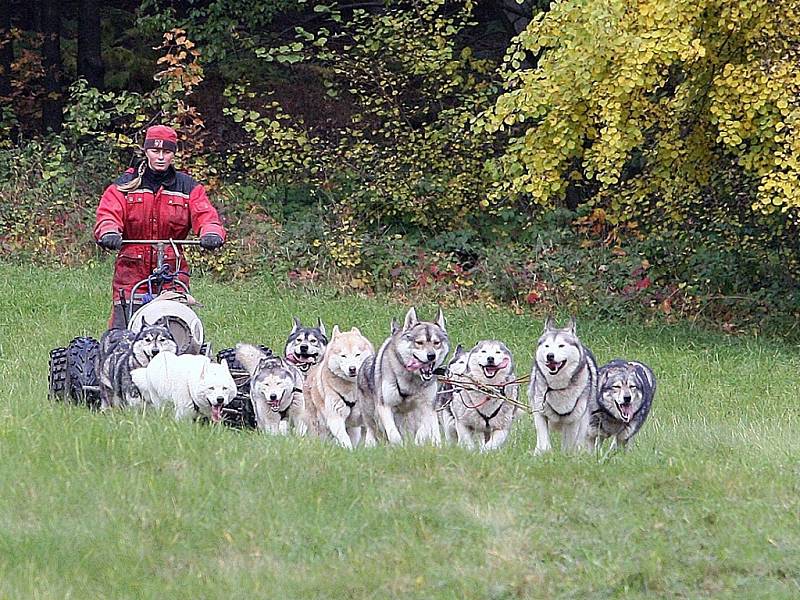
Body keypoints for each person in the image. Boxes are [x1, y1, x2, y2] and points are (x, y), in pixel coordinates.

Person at [94, 124, 226, 328]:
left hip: (171, 274)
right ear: (146, 151)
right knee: (122, 333)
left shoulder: (188, 187)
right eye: (155, 151)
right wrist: (109, 231)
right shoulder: (126, 184)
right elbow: (108, 213)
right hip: (132, 273)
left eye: (166, 151)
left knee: (179, 329)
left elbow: (205, 214)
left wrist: (211, 233)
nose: (161, 157)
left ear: (173, 154)